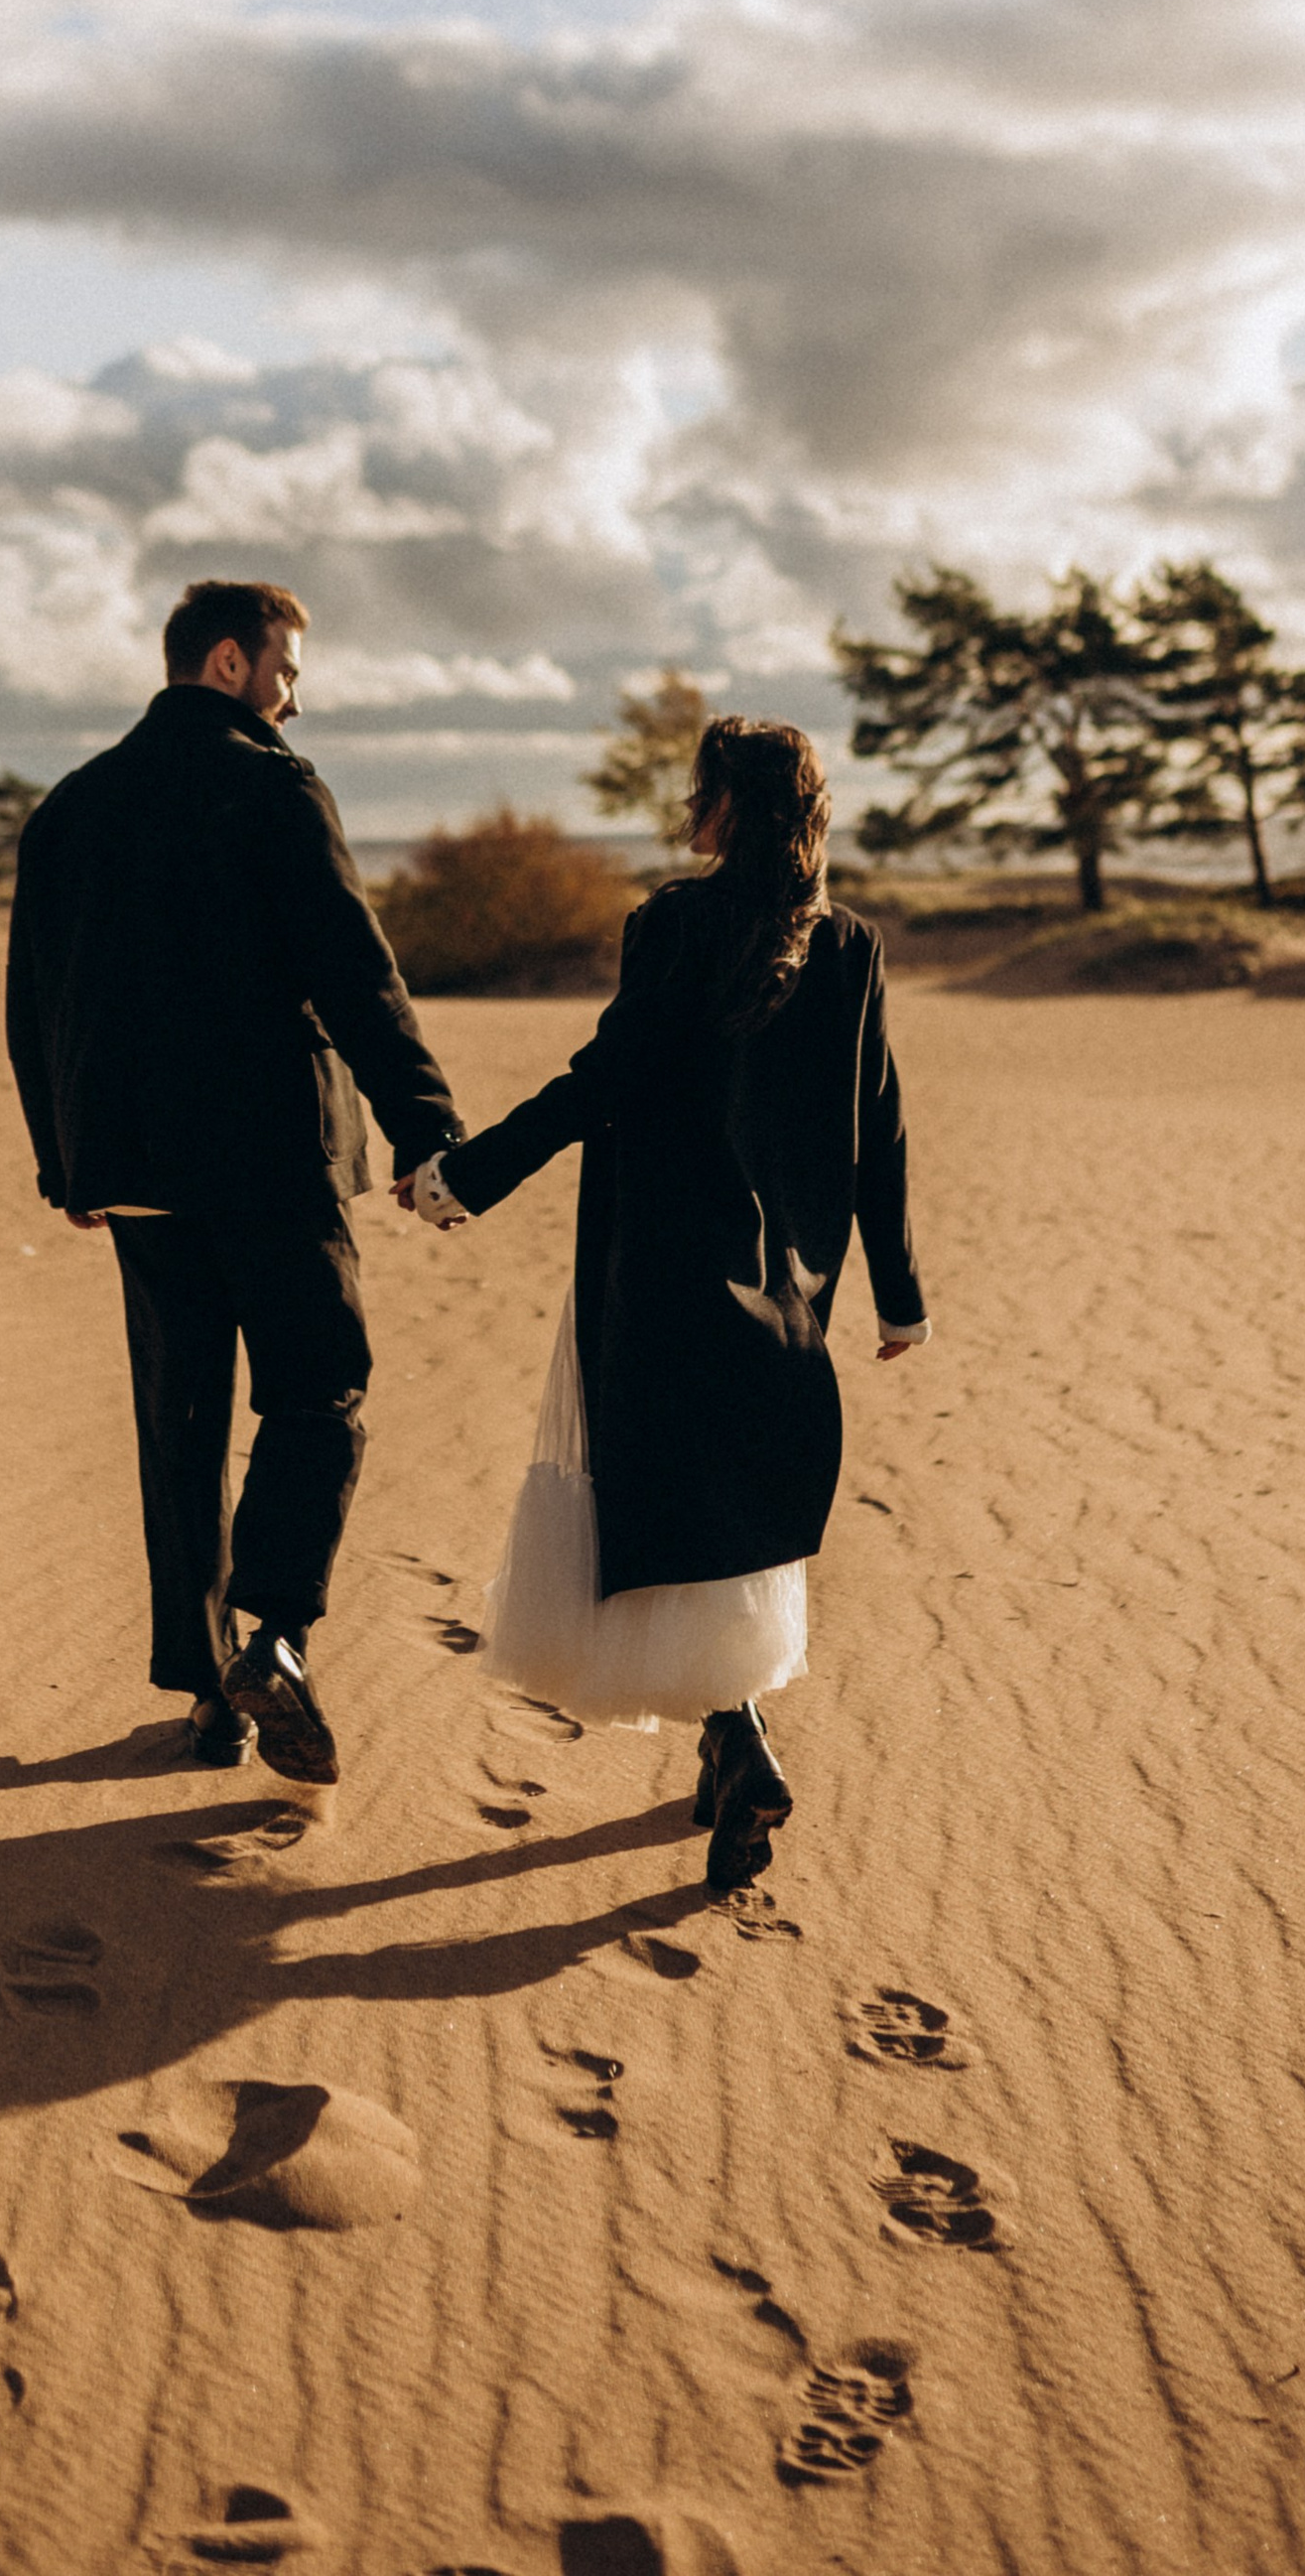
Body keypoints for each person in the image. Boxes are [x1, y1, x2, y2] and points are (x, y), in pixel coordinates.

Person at [403, 715, 926, 1895]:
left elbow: (608, 1079)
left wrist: (463, 1178)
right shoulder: (850, 942)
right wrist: (898, 1297)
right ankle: (726, 1751)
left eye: (700, 789)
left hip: (659, 1272)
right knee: (729, 1516)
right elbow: (879, 1127)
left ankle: (737, 1742)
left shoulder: (675, 924)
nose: (688, 808)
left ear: (729, 806)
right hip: (785, 1287)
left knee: (668, 1509)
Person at [7, 577, 461, 1787]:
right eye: (285, 671)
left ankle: (211, 1695)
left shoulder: (70, 807)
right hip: (270, 1157)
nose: (292, 698)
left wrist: (65, 1157)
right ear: (226, 663)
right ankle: (274, 1636)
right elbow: (353, 972)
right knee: (318, 1388)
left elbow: (33, 1002)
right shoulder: (272, 786)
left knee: (182, 1426)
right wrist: (424, 1124)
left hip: (132, 1168)